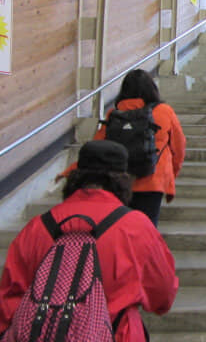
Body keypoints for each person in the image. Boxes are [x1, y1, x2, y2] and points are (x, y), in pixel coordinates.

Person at [0, 140, 179, 341]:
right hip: (117, 333)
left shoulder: (37, 228)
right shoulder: (136, 228)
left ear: (75, 177)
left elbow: (8, 300)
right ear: (124, 181)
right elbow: (163, 294)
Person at [57, 69, 186, 227]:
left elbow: (95, 149)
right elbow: (179, 146)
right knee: (147, 228)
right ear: (152, 89)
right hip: (153, 180)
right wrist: (172, 173)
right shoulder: (164, 111)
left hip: (120, 182)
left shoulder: (115, 115)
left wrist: (69, 171)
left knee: (119, 227)